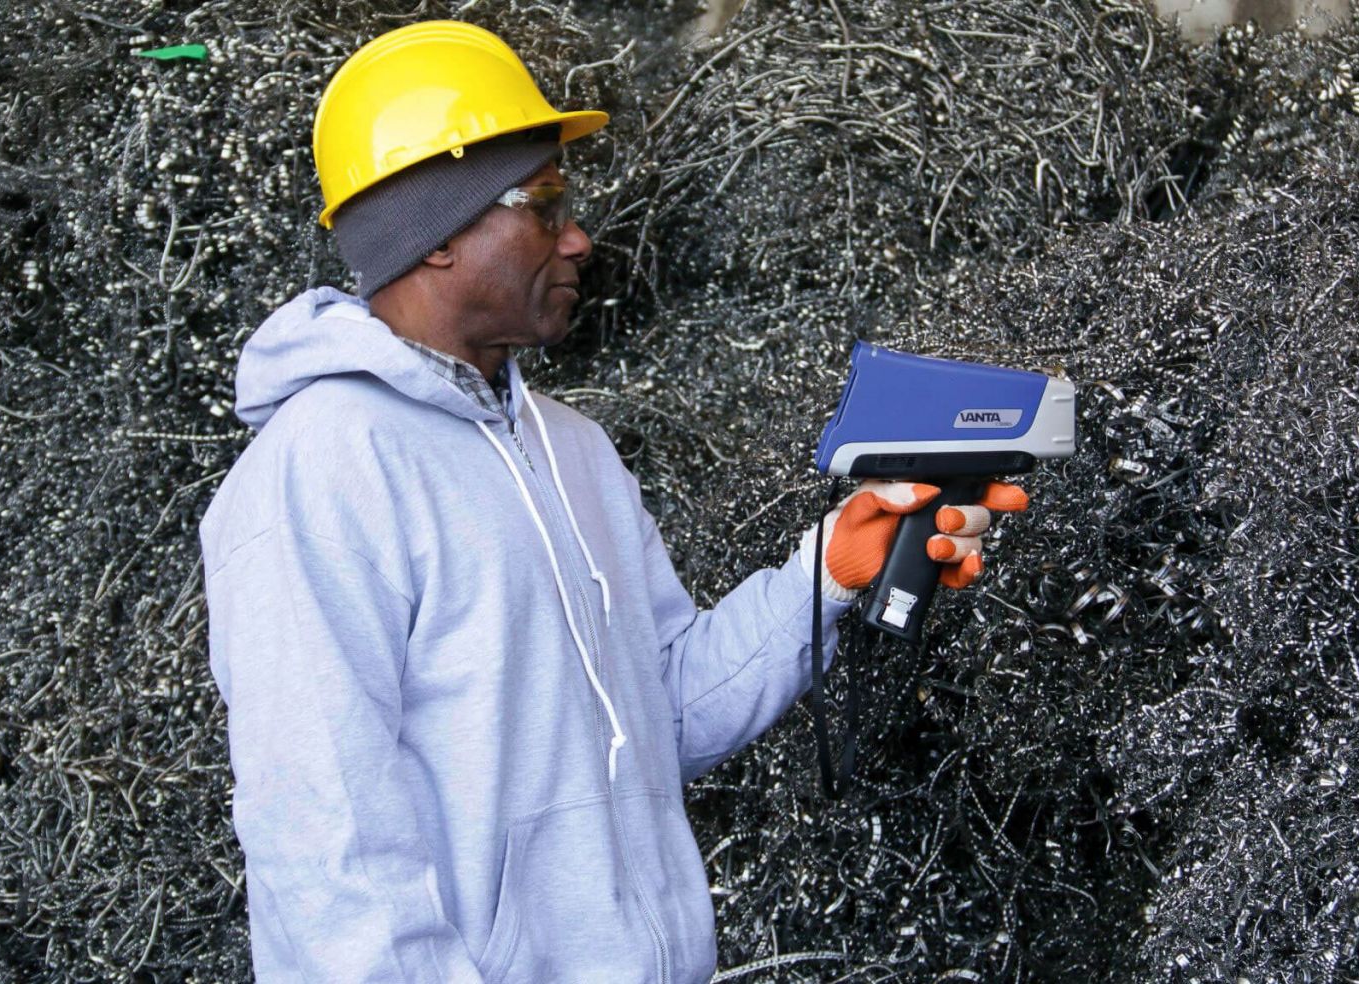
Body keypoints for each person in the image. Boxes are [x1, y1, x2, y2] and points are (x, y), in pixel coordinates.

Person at [198, 20, 1026, 983]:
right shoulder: (322, 474)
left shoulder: (573, 450)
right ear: (436, 235)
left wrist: (829, 573)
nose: (579, 238)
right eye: (545, 205)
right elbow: (326, 848)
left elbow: (662, 711)